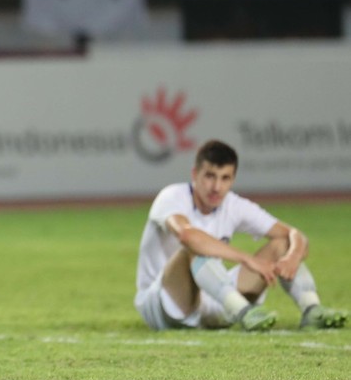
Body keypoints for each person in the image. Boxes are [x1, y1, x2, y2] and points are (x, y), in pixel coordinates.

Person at [135, 139, 348, 332]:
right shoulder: (172, 196)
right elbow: (187, 236)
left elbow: (294, 234)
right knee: (195, 247)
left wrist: (293, 256)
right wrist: (248, 259)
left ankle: (311, 309)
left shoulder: (234, 205)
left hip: (214, 295)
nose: (216, 187)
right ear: (195, 174)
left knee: (281, 244)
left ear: (233, 179)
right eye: (210, 176)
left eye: (225, 178)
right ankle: (244, 312)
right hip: (164, 301)